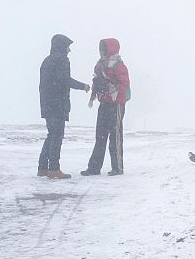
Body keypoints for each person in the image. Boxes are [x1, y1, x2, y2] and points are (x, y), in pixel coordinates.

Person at [38, 34, 90, 179]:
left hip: (47, 103)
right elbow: (64, 80)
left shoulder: (47, 60)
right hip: (57, 103)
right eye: (68, 47)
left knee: (51, 134)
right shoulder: (62, 60)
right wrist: (83, 86)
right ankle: (54, 168)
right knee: (57, 136)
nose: (69, 50)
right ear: (62, 47)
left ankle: (43, 168)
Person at [81, 39, 130, 176]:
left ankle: (117, 168)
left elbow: (123, 85)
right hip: (104, 103)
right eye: (100, 48)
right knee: (100, 136)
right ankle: (94, 168)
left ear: (109, 50)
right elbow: (97, 80)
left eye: (103, 49)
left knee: (115, 137)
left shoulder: (119, 66)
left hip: (116, 104)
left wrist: (109, 88)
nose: (101, 51)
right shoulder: (100, 65)